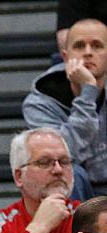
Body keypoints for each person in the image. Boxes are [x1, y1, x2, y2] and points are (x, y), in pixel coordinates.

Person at [23, 18, 107, 198]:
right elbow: (64, 155)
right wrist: (88, 92)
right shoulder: (40, 103)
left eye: (97, 46)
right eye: (79, 46)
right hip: (73, 191)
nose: (88, 53)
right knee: (71, 173)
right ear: (65, 56)